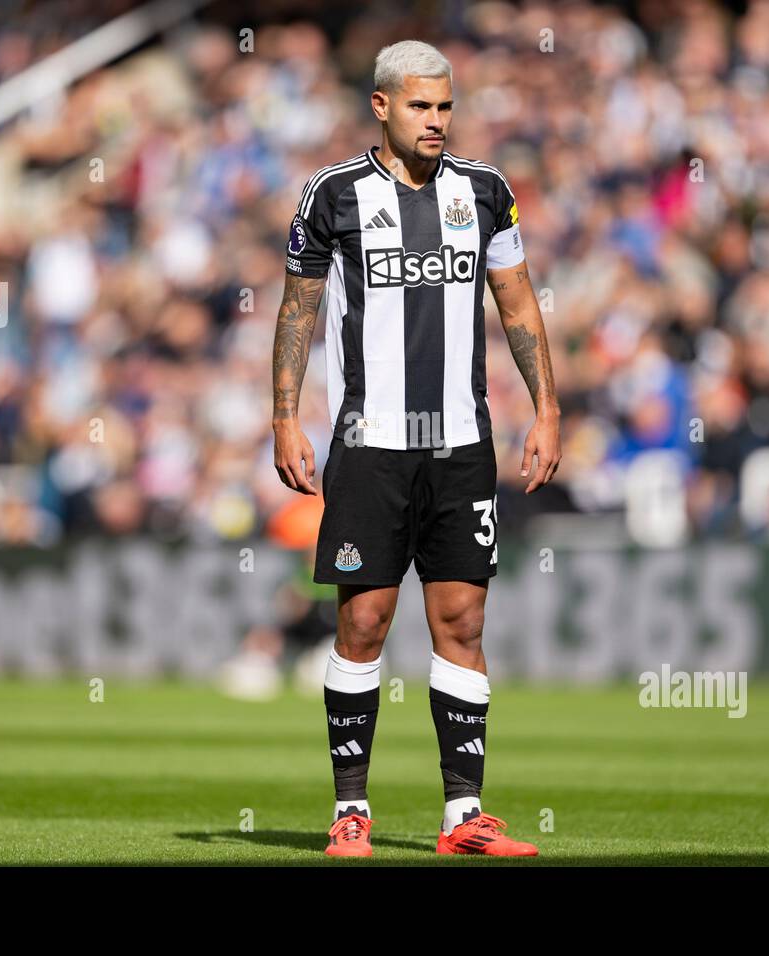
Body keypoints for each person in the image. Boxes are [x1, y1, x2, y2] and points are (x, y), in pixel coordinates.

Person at [270, 39, 561, 857]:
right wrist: (285, 417)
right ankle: (350, 812)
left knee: (462, 620)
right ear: (382, 106)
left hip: (463, 443)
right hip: (371, 444)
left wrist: (547, 409)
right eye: (421, 107)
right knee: (363, 621)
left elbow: (517, 304)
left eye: (445, 107)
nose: (436, 121)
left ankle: (463, 816)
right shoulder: (332, 196)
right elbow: (297, 311)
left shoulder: (486, 191)